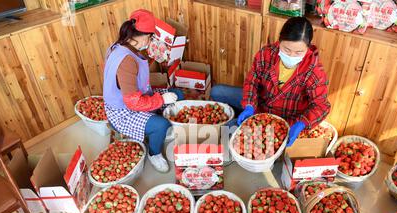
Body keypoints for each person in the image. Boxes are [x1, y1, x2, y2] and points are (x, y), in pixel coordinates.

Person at [210, 17, 331, 146]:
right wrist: (250, 105)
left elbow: (321, 106)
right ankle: (244, 113)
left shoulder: (314, 71)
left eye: (298, 52)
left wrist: (302, 123)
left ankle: (241, 119)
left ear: (308, 48)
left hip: (285, 119)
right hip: (260, 105)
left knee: (230, 134)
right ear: (279, 42)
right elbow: (252, 81)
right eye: (286, 50)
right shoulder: (266, 54)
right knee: (217, 91)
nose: (291, 56)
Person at [103, 9, 182, 173]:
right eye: (152, 37)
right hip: (123, 111)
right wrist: (161, 100)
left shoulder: (122, 46)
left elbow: (135, 77)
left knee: (177, 94)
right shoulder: (127, 60)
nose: (152, 40)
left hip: (137, 97)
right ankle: (155, 153)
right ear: (144, 36)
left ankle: (156, 125)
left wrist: (154, 57)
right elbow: (133, 102)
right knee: (161, 125)